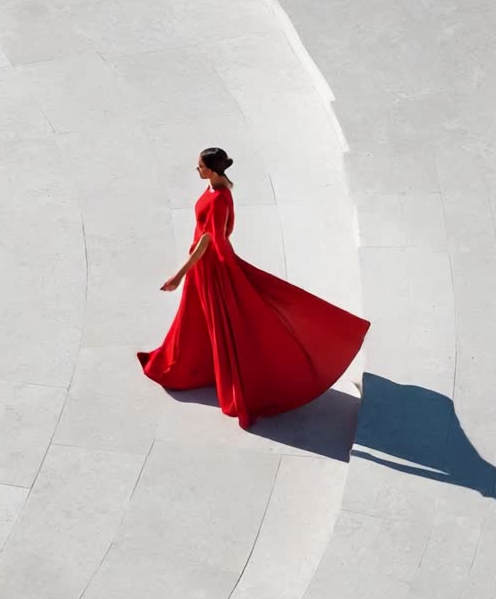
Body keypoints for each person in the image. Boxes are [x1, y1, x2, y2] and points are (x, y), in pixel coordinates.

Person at [138, 147, 371, 429]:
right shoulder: (220, 189)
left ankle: (202, 370)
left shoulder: (219, 199)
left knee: (220, 320)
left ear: (212, 170)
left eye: (200, 166)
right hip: (207, 265)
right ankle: (192, 365)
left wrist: (180, 274)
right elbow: (222, 232)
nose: (197, 169)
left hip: (209, 268)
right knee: (197, 318)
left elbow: (208, 240)